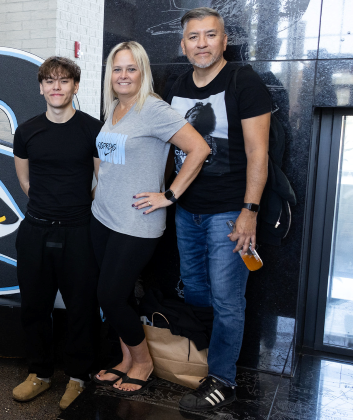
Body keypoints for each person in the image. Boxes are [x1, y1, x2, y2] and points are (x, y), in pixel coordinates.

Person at [165, 7, 272, 411]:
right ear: (183, 44)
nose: (202, 44)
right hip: (187, 208)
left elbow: (257, 152)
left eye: (211, 35)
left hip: (229, 210)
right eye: (194, 37)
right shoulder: (177, 84)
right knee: (195, 289)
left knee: (228, 298)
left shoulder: (244, 81)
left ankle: (222, 378)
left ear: (224, 41)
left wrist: (250, 210)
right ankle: (209, 359)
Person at [90, 41, 209, 396]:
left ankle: (142, 362)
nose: (123, 76)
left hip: (137, 221)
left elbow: (198, 148)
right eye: (117, 69)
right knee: (119, 296)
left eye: (131, 69)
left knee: (109, 297)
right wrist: (97, 191)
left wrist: (169, 195)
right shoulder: (114, 108)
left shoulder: (154, 109)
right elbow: (104, 160)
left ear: (143, 73)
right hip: (103, 217)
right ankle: (127, 360)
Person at [11, 56, 104, 409]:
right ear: (41, 87)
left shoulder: (93, 129)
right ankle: (40, 373)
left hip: (79, 232)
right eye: (49, 80)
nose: (56, 86)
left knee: (82, 308)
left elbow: (102, 179)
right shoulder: (27, 130)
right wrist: (47, 206)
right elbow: (24, 181)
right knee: (34, 307)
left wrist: (76, 205)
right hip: (36, 230)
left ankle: (78, 378)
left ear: (75, 87)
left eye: (63, 81)